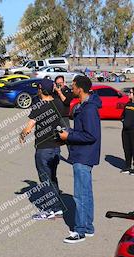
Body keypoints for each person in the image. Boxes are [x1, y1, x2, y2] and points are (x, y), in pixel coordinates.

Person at [59, 75, 101, 244]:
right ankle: (88, 228)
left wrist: (69, 135)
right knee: (86, 194)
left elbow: (91, 135)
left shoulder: (89, 109)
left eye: (74, 86)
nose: (72, 88)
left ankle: (80, 231)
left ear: (80, 89)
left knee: (80, 195)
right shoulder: (84, 106)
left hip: (84, 156)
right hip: (82, 154)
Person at [20, 79, 64, 220]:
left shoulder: (39, 106)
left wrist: (22, 134)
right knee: (53, 178)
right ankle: (57, 208)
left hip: (43, 149)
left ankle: (50, 209)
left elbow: (29, 126)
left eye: (38, 89)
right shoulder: (57, 103)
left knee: (45, 180)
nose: (37, 91)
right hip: (56, 148)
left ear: (41, 90)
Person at [120, 88, 134, 174]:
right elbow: (123, 115)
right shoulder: (128, 104)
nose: (129, 94)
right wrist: (123, 121)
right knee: (127, 148)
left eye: (131, 93)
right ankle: (127, 166)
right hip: (125, 131)